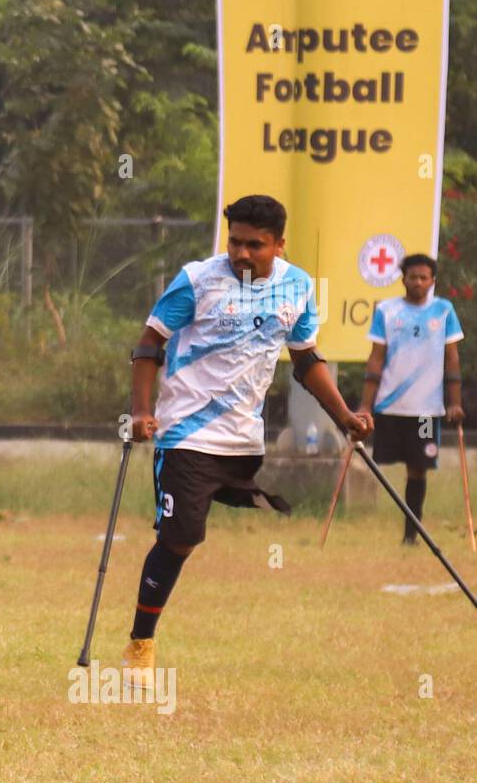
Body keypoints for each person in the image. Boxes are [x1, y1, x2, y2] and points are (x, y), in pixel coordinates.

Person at [123, 195, 373, 688]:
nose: (240, 253)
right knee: (181, 536)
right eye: (234, 241)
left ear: (279, 245)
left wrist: (344, 416)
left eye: (254, 245)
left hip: (242, 438)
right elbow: (149, 344)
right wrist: (141, 411)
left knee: (194, 529)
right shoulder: (197, 280)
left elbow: (305, 362)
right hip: (187, 433)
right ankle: (140, 645)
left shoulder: (297, 287)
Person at [359, 254, 465, 544]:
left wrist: (454, 403)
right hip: (389, 406)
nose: (417, 282)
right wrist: (365, 405)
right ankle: (366, 522)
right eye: (412, 277)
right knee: (380, 464)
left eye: (424, 277)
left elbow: (452, 358)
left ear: (432, 281)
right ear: (402, 278)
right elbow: (375, 358)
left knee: (419, 469)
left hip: (426, 411)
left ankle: (411, 534)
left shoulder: (444, 310)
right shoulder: (387, 310)